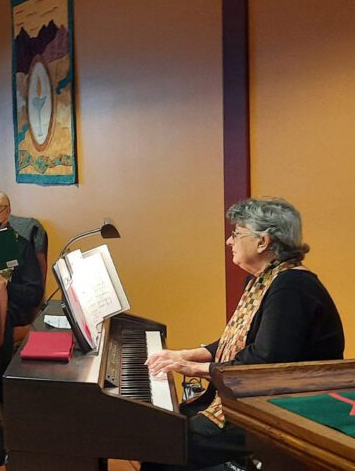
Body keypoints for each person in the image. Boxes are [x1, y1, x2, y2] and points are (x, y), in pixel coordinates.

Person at [144, 198, 344, 470]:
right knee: (160, 427)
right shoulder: (265, 279)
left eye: (237, 233)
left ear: (263, 242)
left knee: (164, 445)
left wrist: (194, 368)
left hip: (278, 410)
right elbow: (239, 341)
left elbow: (263, 362)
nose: (229, 241)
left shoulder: (292, 287)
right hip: (255, 398)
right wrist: (186, 355)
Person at [0, 190, 43, 395]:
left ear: (7, 212)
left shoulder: (22, 246)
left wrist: (3, 285)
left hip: (12, 307)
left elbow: (33, 293)